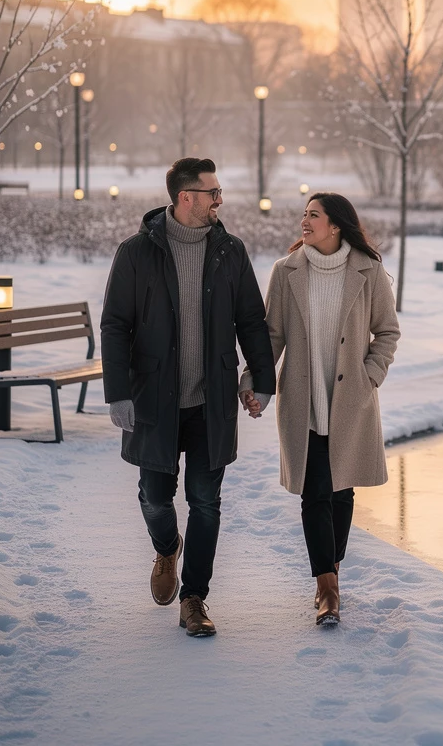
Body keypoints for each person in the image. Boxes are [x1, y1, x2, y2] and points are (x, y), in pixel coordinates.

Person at [100, 157, 275, 637]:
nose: (219, 200)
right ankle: (165, 547)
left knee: (206, 501)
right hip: (154, 398)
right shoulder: (136, 253)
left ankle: (194, 597)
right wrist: (118, 392)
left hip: (210, 398)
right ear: (185, 198)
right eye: (212, 192)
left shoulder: (230, 251)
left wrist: (261, 378)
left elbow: (251, 321)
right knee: (155, 497)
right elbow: (115, 324)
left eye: (219, 191)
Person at [239, 192, 399, 626]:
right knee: (315, 491)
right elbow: (273, 337)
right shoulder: (286, 271)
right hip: (303, 397)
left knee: (341, 491)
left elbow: (387, 331)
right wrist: (254, 379)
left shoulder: (369, 271)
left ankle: (331, 569)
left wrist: (370, 376)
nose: (304, 221)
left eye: (314, 215)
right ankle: (327, 587)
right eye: (304, 214)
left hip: (351, 399)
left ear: (336, 225)